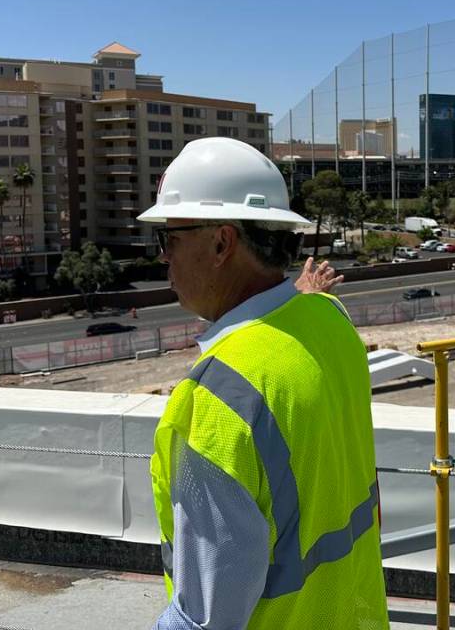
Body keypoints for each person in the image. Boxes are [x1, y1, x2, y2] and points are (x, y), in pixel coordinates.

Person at [139, 137, 389, 629]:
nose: (163, 258)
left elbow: (206, 617)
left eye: (169, 240)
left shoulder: (218, 398)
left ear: (220, 244)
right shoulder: (328, 322)